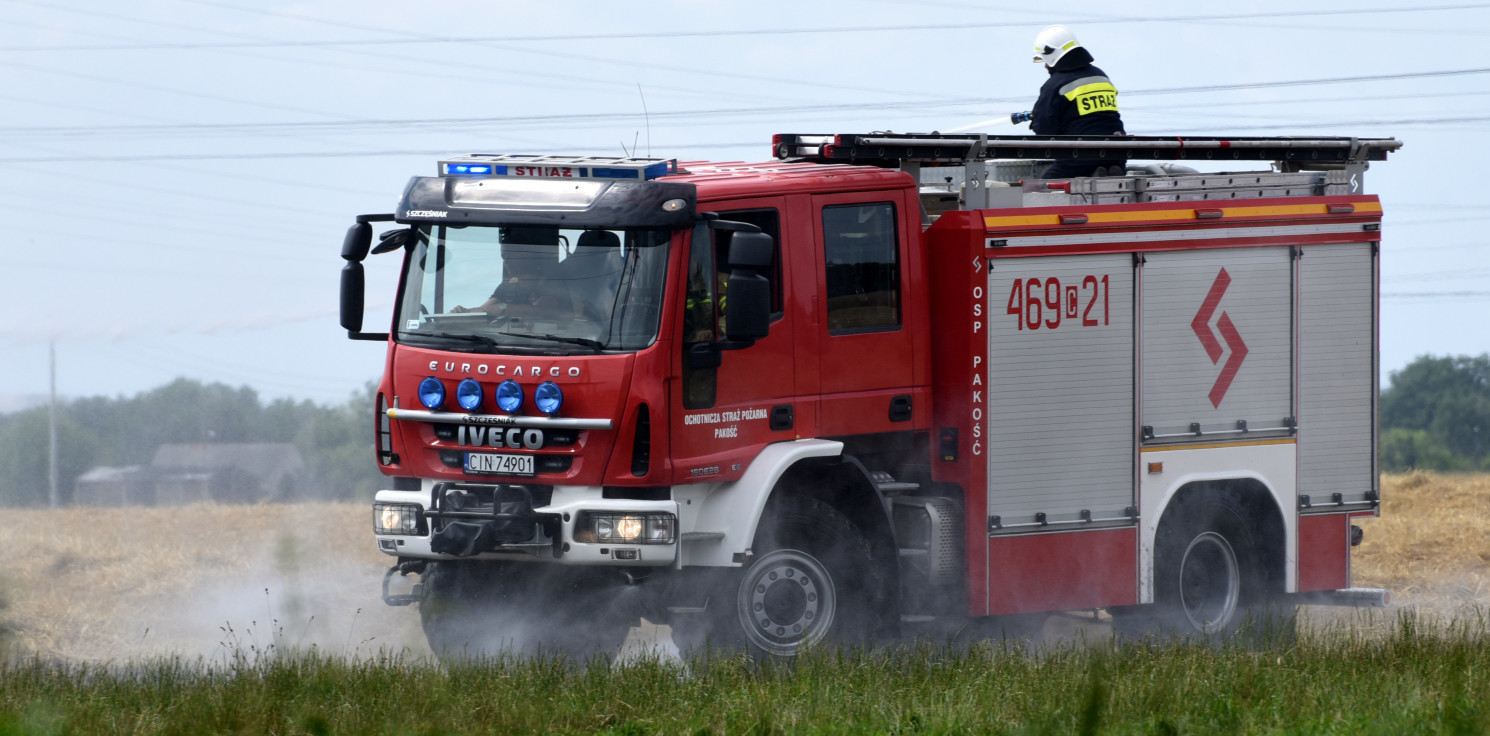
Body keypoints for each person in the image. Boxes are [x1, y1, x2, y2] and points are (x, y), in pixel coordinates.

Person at [1028, 24, 1127, 179]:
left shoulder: (1054, 85)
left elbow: (1045, 132)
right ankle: (1104, 172)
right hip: (1117, 152)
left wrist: (1036, 123)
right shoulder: (1101, 76)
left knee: (1041, 190)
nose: (1046, 66)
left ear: (1052, 55)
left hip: (1080, 156)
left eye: (1045, 60)